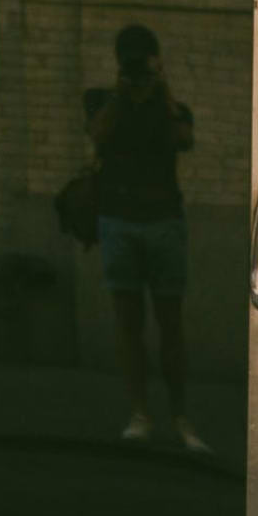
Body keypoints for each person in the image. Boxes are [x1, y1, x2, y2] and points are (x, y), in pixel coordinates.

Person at [86, 22, 200, 449]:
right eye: (130, 66)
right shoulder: (102, 102)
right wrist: (122, 93)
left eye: (144, 66)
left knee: (171, 324)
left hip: (163, 221)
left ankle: (180, 415)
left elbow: (184, 139)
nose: (136, 75)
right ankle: (141, 412)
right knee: (128, 323)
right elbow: (97, 134)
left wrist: (161, 91)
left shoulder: (171, 107)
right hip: (119, 220)